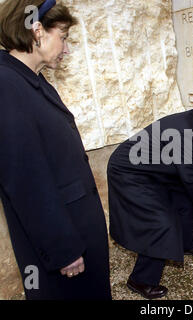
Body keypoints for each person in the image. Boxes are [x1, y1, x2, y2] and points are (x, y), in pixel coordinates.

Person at [0, 0, 111, 300]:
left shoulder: (32, 80)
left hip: (76, 229)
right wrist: (63, 249)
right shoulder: (6, 84)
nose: (66, 49)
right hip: (62, 247)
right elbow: (25, 180)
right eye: (62, 37)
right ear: (37, 32)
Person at [107, 94, 193, 299]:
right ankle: (140, 280)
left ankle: (186, 244)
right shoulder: (189, 132)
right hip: (130, 172)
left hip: (153, 169)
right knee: (160, 223)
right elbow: (190, 176)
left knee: (185, 198)